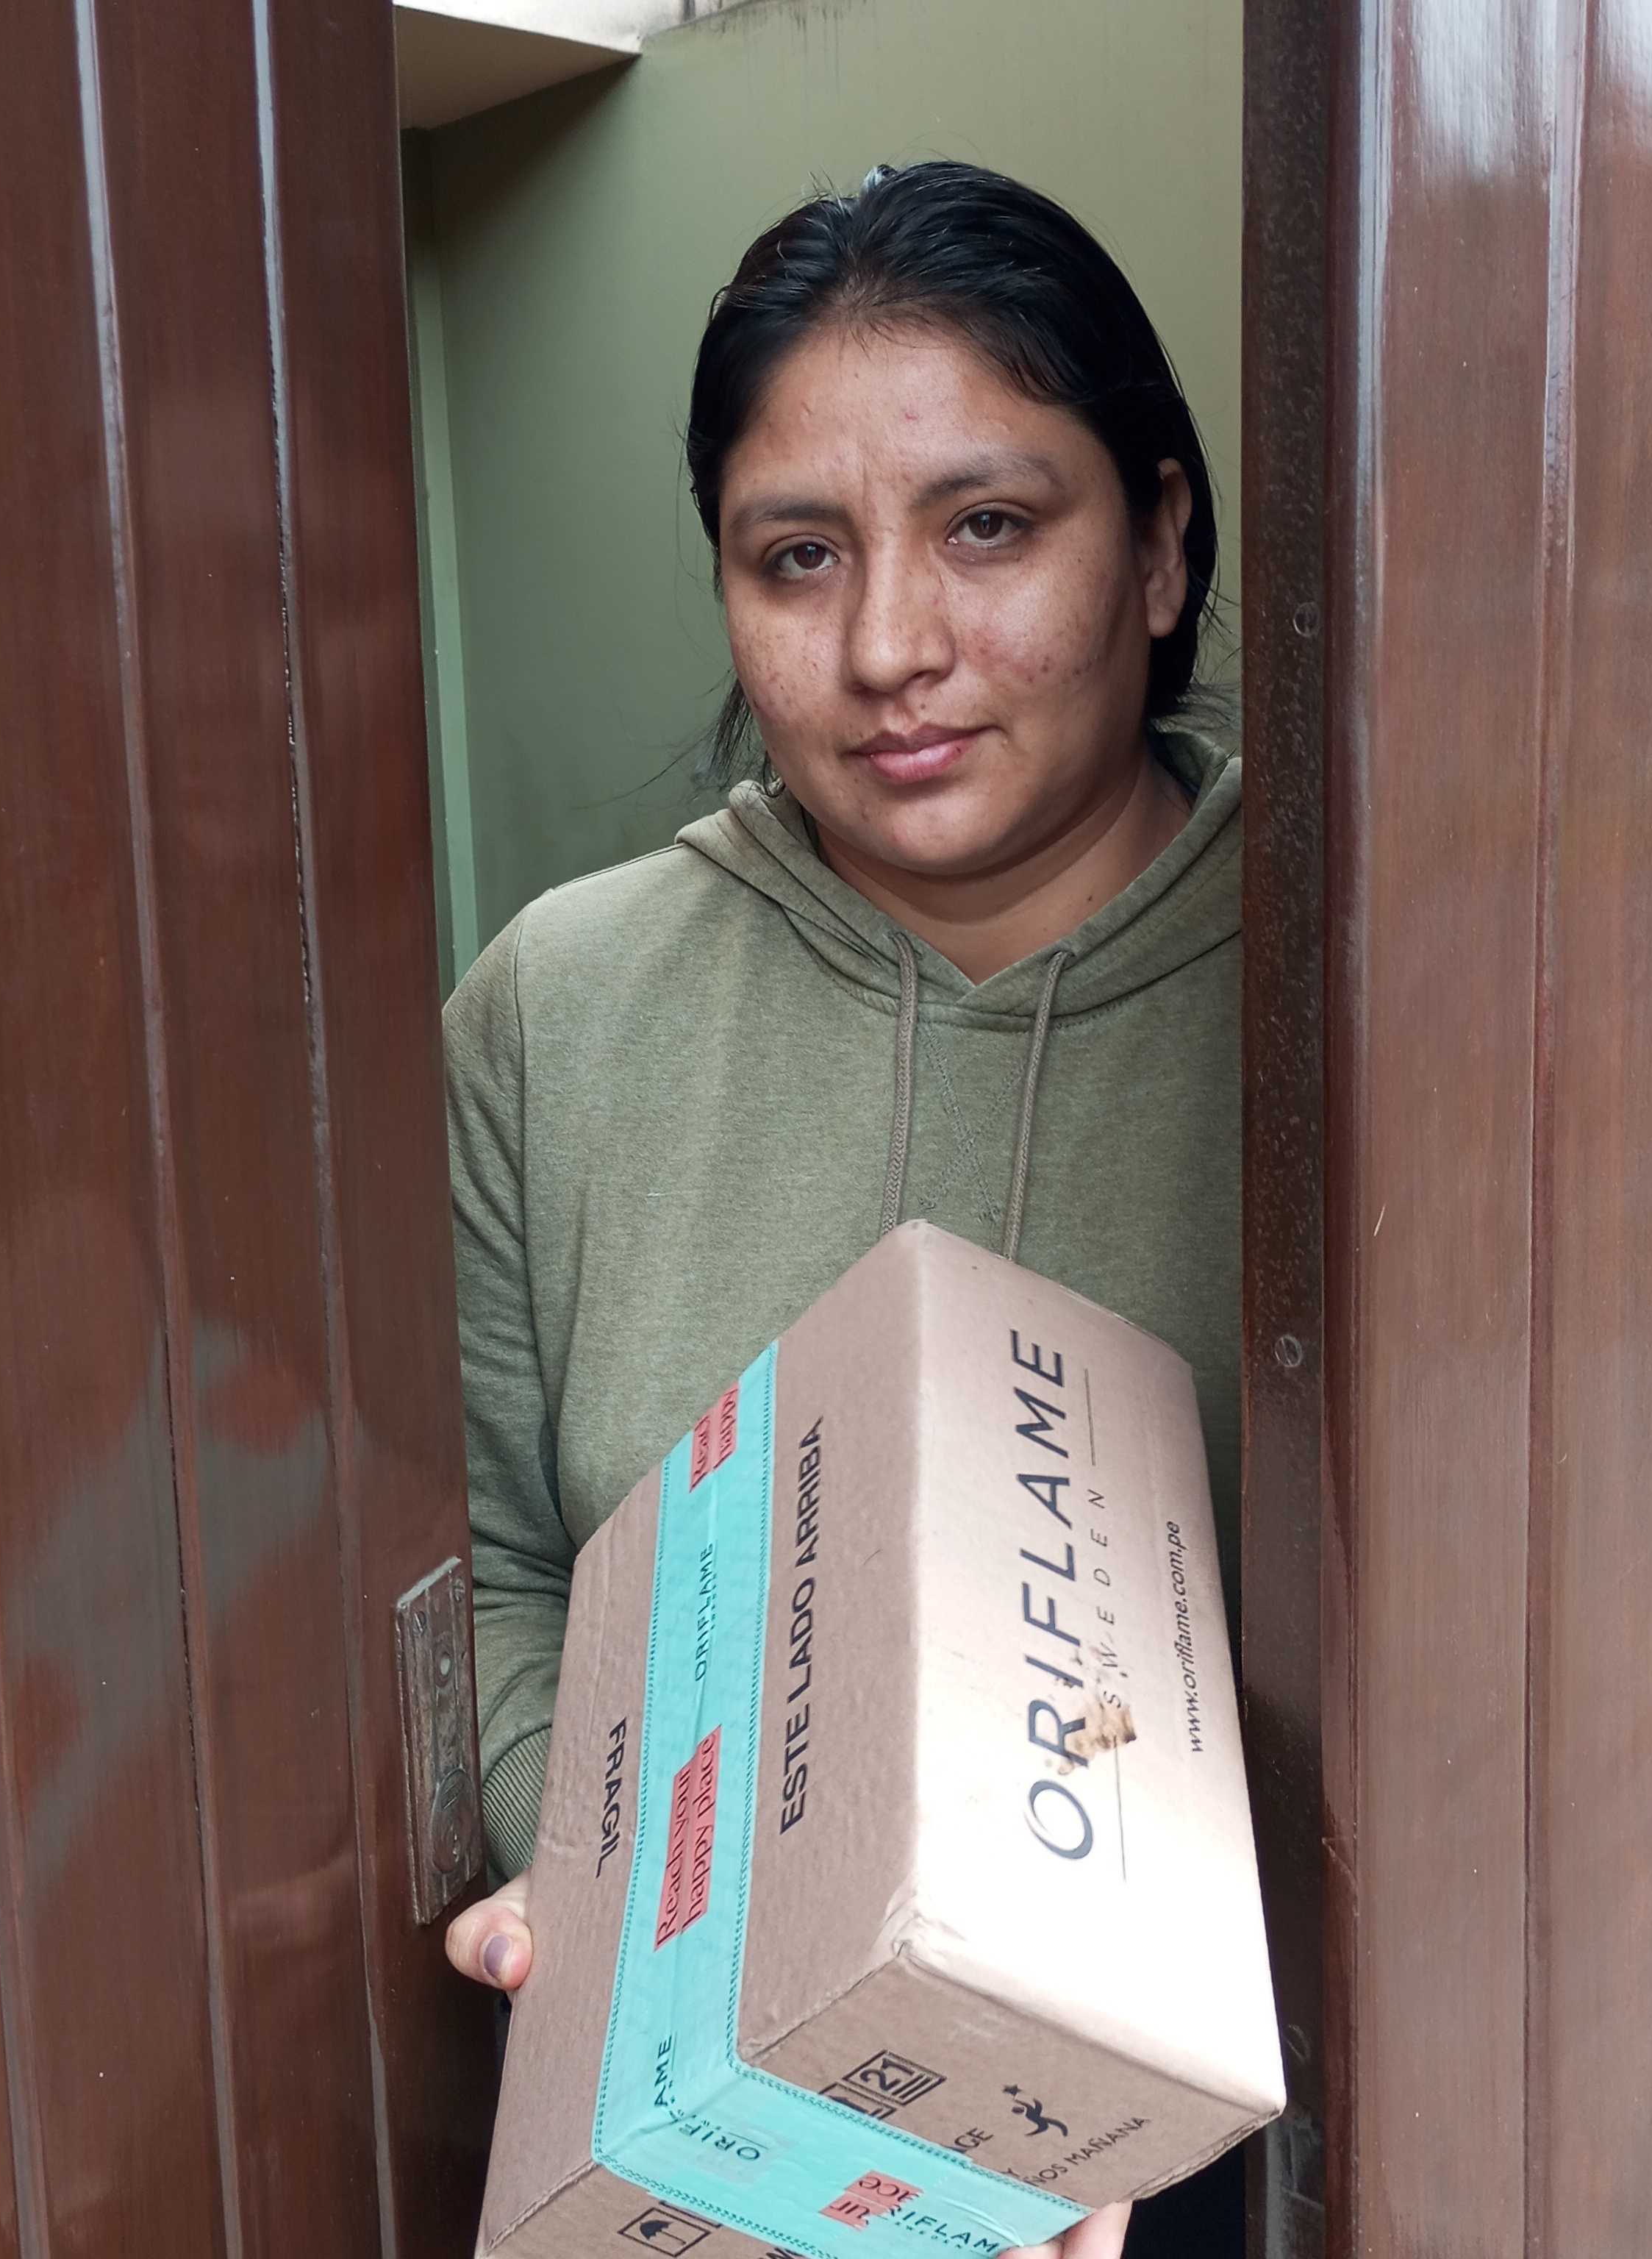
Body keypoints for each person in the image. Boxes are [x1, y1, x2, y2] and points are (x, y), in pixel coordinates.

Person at [442, 160, 1246, 2259]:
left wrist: (1088, 2094)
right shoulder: (560, 1010)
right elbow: (497, 1575)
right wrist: (670, 1961)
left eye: (990, 527)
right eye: (798, 556)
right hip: (709, 2136)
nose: (891, 647)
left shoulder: (1379, 993)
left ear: (1161, 541)